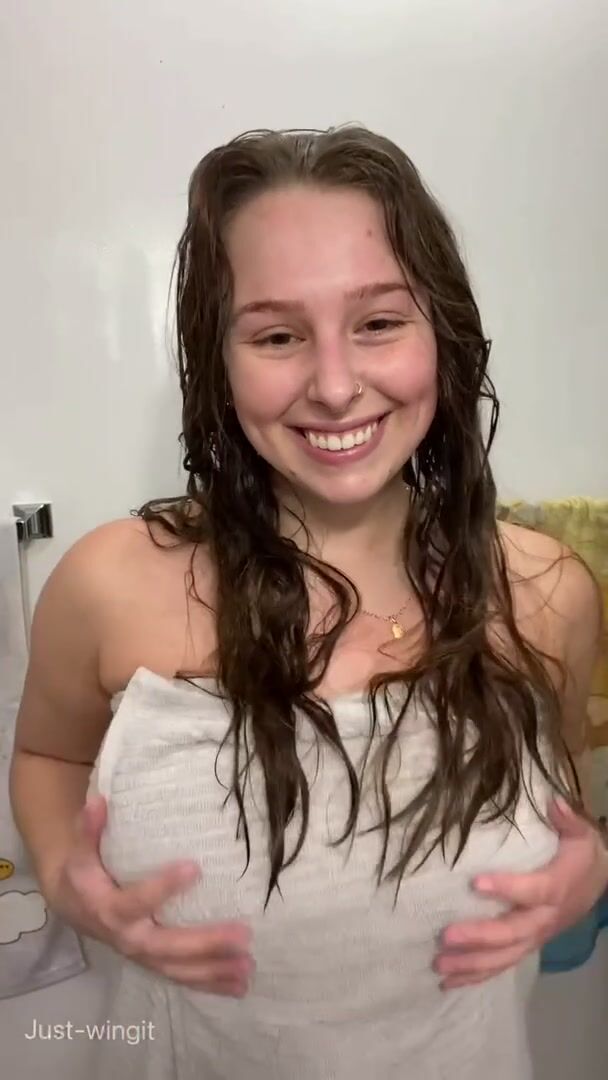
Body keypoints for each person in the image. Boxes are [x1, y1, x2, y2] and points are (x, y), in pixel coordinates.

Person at [10, 125, 607, 1079]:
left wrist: (593, 867)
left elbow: (563, 789)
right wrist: (63, 873)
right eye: (278, 335)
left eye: (379, 323)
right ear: (220, 358)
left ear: (443, 334)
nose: (334, 386)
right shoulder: (106, 586)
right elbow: (49, 753)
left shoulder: (543, 594)